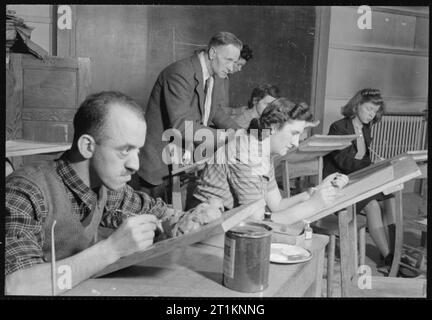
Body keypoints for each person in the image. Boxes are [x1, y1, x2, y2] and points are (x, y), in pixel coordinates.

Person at [5, 91, 221, 295]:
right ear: (87, 146)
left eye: (137, 150)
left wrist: (190, 219)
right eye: (124, 150)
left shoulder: (106, 187)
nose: (135, 164)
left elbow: (157, 211)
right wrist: (112, 249)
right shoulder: (26, 191)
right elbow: (17, 286)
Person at [192, 98, 349, 225]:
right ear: (274, 127)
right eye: (293, 133)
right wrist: (314, 205)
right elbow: (257, 222)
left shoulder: (263, 149)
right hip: (204, 227)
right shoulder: (247, 153)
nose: (295, 142)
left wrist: (314, 192)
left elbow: (277, 205)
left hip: (226, 222)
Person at [134, 31, 243, 201]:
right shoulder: (179, 72)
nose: (231, 68)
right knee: (153, 221)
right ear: (212, 53)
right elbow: (181, 127)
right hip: (158, 165)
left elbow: (215, 111)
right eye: (228, 60)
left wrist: (241, 133)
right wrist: (228, 137)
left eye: (234, 62)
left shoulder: (214, 76)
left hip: (182, 161)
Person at [323, 88, 396, 266]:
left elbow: (364, 158)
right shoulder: (338, 127)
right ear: (357, 106)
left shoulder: (366, 127)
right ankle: (389, 257)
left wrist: (376, 164)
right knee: (372, 204)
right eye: (369, 109)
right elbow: (343, 161)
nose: (372, 114)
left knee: (390, 195)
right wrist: (371, 166)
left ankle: (392, 250)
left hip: (356, 180)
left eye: (376, 111)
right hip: (337, 183)